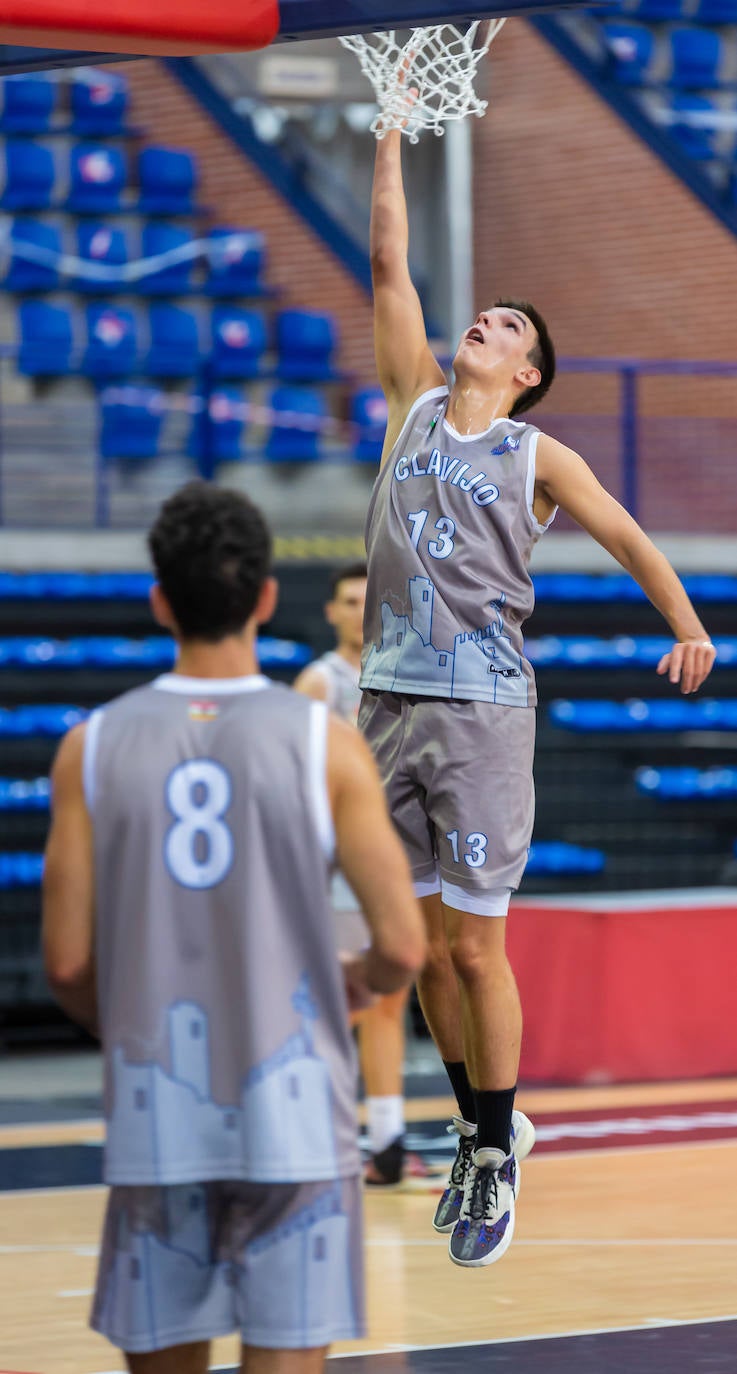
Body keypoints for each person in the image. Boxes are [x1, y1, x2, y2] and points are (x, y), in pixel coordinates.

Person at [360, 124, 717, 1270]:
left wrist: (686, 622)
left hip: (480, 711)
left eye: (508, 327)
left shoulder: (533, 452)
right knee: (415, 950)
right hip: (386, 699)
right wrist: (387, 145)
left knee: (474, 951)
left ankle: (488, 1148)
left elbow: (622, 535)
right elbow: (386, 267)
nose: (484, 322)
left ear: (524, 373)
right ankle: (481, 1125)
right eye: (485, 314)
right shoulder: (408, 406)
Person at [41, 480, 426, 1374]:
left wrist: (135, 1022)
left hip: (157, 1115)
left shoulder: (88, 746)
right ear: (264, 597)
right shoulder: (323, 743)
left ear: (159, 601)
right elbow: (404, 946)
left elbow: (64, 963)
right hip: (292, 1112)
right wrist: (351, 982)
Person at [294, 562, 421, 1187]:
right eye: (347, 600)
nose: (356, 609)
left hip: (390, 854)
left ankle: (389, 1138)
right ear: (331, 611)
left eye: (366, 599)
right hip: (336, 864)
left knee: (389, 1004)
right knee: (337, 1004)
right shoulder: (320, 682)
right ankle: (326, 1132)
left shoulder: (404, 669)